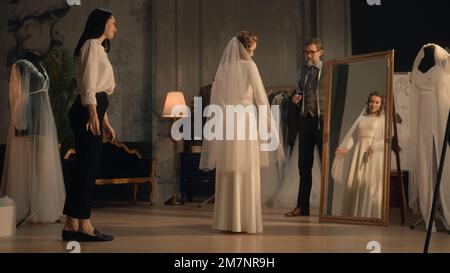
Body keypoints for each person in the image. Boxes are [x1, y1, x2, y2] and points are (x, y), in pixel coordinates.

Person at [199, 31, 284, 233]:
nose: (253, 55)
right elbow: (261, 98)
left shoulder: (223, 68)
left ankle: (226, 221)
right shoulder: (249, 67)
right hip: (244, 118)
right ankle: (245, 220)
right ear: (245, 49)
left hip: (227, 120)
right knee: (246, 167)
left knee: (228, 167)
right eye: (252, 50)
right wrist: (269, 121)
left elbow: (216, 99)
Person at [61, 8, 117, 242]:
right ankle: (84, 225)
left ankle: (72, 224)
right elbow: (88, 86)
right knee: (88, 169)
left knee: (84, 168)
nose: (115, 28)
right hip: (87, 111)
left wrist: (105, 120)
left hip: (92, 110)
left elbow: (97, 89)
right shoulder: (92, 46)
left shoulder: (97, 48)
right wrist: (93, 114)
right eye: (112, 23)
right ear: (102, 24)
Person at [1, 50, 66, 224]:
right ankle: (25, 208)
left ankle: (41, 207)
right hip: (28, 117)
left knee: (41, 163)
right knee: (26, 163)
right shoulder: (21, 65)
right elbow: (16, 95)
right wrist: (20, 121)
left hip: (43, 118)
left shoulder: (42, 66)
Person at [285, 38, 327, 217]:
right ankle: (302, 207)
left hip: (322, 121)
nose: (309, 55)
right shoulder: (301, 71)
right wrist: (295, 99)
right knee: (304, 166)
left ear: (320, 52)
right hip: (305, 121)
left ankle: (330, 208)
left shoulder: (329, 69)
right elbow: (299, 92)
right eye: (306, 52)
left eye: (312, 52)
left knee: (327, 164)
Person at [409, 43, 450, 229]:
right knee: (426, 161)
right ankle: (428, 211)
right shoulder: (418, 67)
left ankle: (444, 208)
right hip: (423, 117)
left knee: (440, 157)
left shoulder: (442, 64)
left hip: (438, 115)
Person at [332, 92, 385, 218]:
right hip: (358, 152)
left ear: (381, 105)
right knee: (356, 181)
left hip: (373, 154)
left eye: (377, 102)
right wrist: (346, 148)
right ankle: (354, 215)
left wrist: (375, 147)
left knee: (369, 183)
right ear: (368, 103)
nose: (374, 104)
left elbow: (386, 138)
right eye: (372, 101)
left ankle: (369, 215)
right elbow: (353, 137)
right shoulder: (361, 119)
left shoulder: (382, 120)